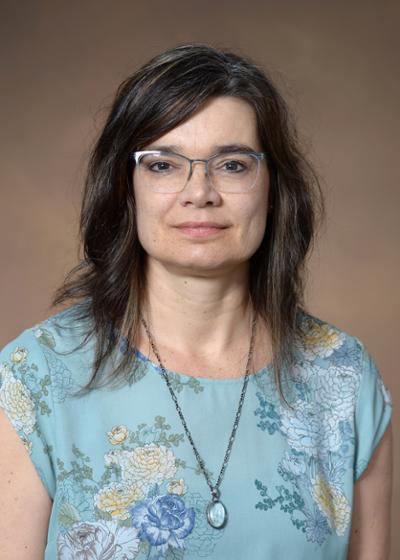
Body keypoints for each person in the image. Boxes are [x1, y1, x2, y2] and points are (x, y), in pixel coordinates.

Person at [0, 43, 393, 560]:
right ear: (126, 187)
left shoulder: (343, 380)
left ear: (274, 188)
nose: (199, 192)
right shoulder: (36, 379)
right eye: (163, 165)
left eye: (232, 165)